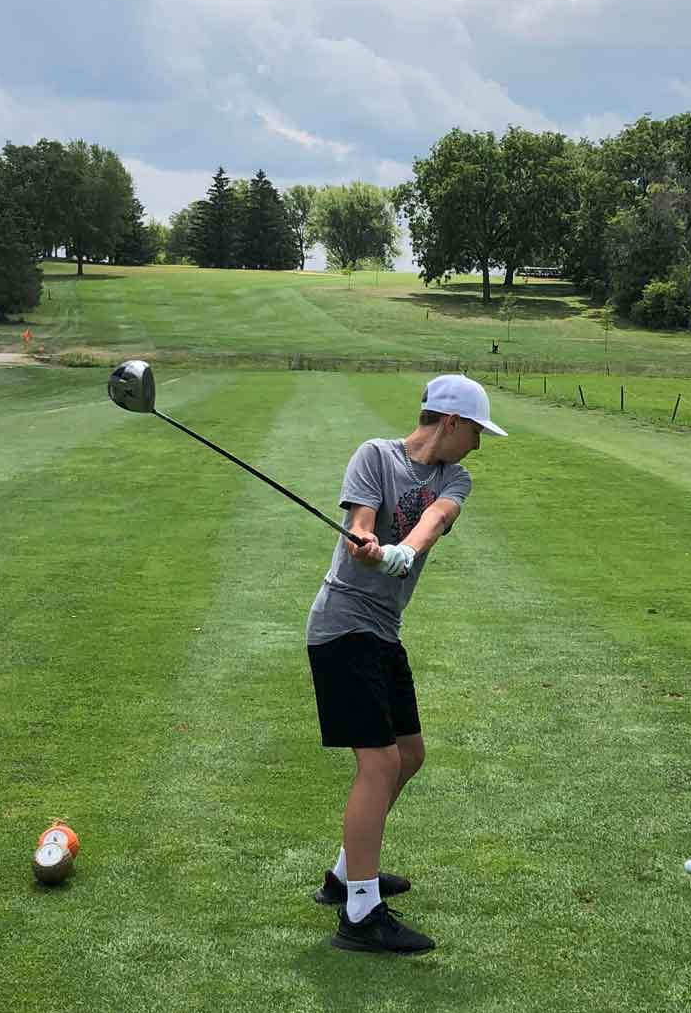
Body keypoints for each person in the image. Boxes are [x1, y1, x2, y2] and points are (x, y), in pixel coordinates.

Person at [305, 373, 506, 954]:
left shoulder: (455, 477)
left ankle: (345, 875)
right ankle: (361, 914)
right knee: (380, 762)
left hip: (382, 633)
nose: (479, 443)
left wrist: (403, 551)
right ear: (451, 422)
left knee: (409, 756)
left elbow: (435, 520)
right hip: (342, 627)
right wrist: (366, 544)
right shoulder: (375, 456)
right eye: (476, 431)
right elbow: (359, 528)